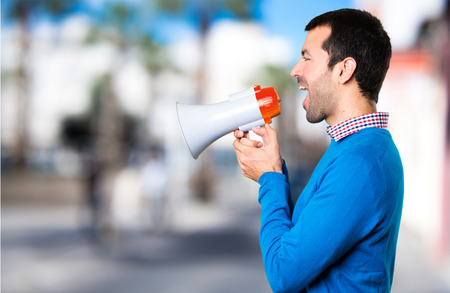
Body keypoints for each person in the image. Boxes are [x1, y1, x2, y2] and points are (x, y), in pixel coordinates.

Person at [233, 9, 404, 293]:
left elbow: (284, 273)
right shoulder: (355, 148)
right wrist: (274, 169)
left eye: (307, 58)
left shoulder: (360, 162)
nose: (295, 70)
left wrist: (270, 180)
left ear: (343, 70)